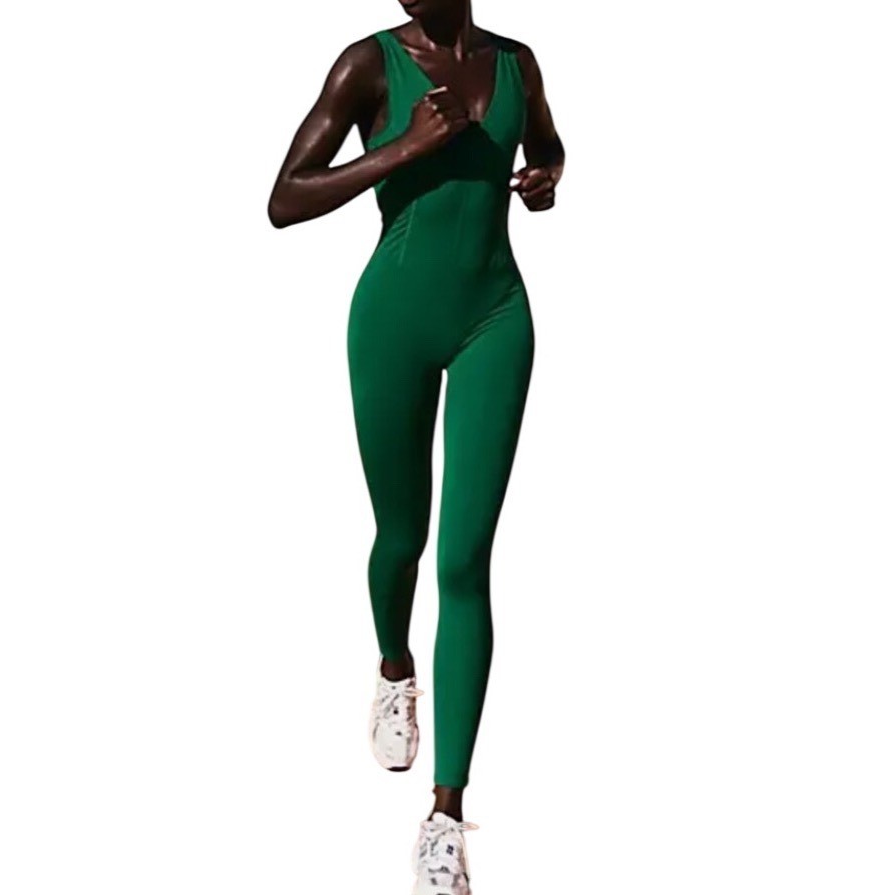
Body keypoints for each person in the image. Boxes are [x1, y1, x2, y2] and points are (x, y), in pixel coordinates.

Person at [268, 2, 564, 891]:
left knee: (465, 559)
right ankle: (395, 669)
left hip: (494, 318)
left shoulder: (516, 63)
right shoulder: (366, 65)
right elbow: (283, 200)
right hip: (392, 319)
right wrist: (402, 149)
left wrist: (545, 177)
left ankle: (444, 815)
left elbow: (547, 146)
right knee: (403, 536)